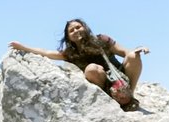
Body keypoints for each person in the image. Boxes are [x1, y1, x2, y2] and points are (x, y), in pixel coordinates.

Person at [9, 18, 149, 111]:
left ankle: (130, 93)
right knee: (91, 69)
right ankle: (110, 98)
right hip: (104, 84)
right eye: (72, 30)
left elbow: (125, 52)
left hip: (120, 77)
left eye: (78, 27)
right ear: (69, 37)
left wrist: (139, 49)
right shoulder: (71, 53)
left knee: (133, 55)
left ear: (85, 28)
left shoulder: (102, 39)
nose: (76, 31)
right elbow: (46, 52)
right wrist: (23, 47)